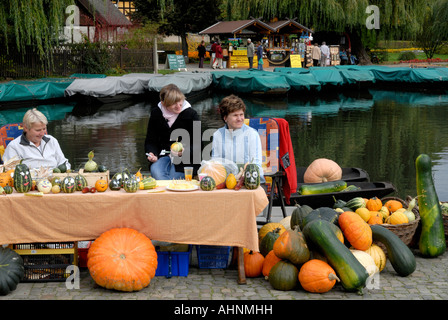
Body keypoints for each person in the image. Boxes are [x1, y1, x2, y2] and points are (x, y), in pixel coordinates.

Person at [145, 84, 200, 180]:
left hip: (186, 160)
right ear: (163, 103)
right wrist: (152, 153)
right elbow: (151, 140)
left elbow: (198, 144)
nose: (178, 106)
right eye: (173, 103)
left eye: (180, 101)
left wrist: (184, 152)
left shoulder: (191, 114)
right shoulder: (156, 113)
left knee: (173, 178)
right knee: (157, 173)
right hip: (163, 156)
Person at [211, 94, 264, 183]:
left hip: (250, 181)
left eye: (241, 114)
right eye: (235, 115)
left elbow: (256, 165)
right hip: (226, 182)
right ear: (225, 118)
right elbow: (215, 164)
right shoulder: (217, 135)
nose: (240, 119)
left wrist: (240, 178)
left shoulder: (252, 134)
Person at [3, 108, 71, 170]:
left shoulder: (52, 141)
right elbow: (11, 172)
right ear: (26, 128)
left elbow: (64, 164)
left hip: (56, 179)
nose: (42, 133)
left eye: (44, 129)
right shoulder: (14, 147)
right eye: (38, 130)